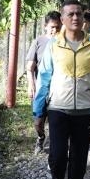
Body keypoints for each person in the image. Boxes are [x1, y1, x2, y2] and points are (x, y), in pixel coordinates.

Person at [33, 0, 90, 179]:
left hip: (84, 111)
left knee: (78, 158)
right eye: (70, 14)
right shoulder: (53, 45)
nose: (75, 18)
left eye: (79, 14)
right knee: (57, 156)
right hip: (58, 109)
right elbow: (43, 80)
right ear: (63, 19)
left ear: (84, 17)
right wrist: (38, 112)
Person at [25, 11, 62, 153]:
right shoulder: (38, 42)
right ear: (45, 26)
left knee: (56, 122)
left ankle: (56, 147)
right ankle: (40, 137)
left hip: (58, 90)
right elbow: (30, 67)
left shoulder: (64, 42)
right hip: (40, 89)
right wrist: (31, 85)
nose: (55, 30)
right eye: (52, 27)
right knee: (38, 121)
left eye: (58, 27)